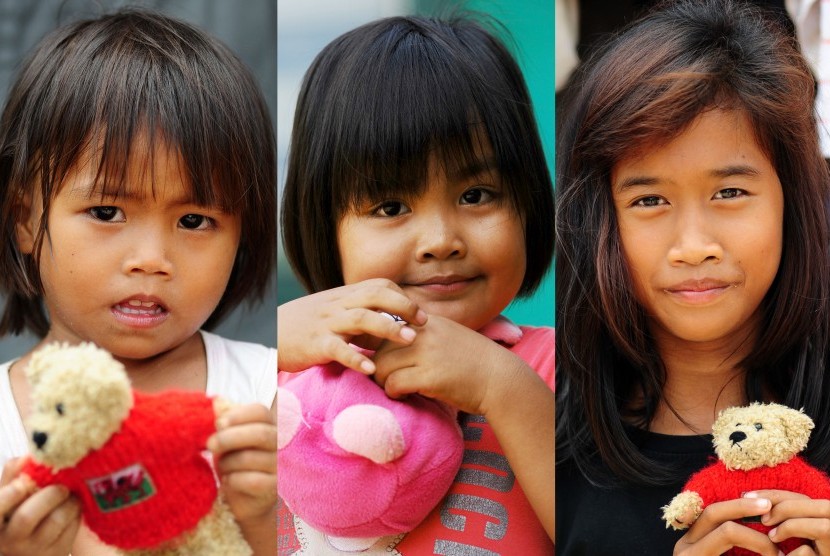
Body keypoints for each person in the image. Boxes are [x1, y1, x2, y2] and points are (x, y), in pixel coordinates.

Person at [556, 0, 830, 554]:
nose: (693, 247)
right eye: (649, 199)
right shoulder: (549, 446)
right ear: (598, 219)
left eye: (730, 192)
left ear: (790, 201)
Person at [0, 9, 277, 556]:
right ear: (27, 220)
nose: (152, 260)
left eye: (194, 221)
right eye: (107, 212)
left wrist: (268, 520)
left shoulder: (269, 393)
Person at [277, 14, 555, 555]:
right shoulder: (286, 367)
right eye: (390, 206)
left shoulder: (554, 369)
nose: (440, 240)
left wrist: (502, 388)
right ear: (322, 225)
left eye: (477, 195)